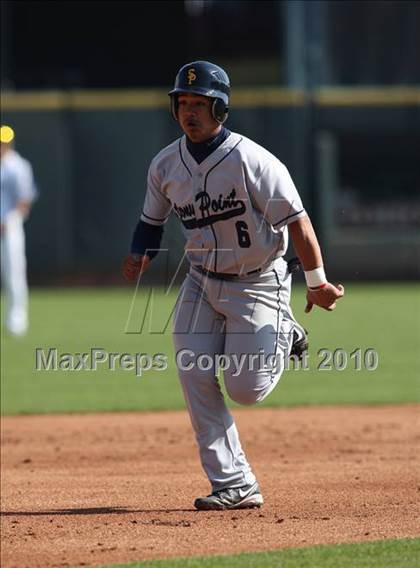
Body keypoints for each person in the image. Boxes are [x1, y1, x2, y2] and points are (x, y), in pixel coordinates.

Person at [123, 61, 344, 510]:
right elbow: (151, 222)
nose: (189, 111)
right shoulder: (166, 164)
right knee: (194, 369)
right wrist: (138, 255)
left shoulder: (253, 161)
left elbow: (298, 225)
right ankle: (234, 482)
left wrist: (317, 282)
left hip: (259, 282)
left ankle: (286, 329)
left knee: (247, 390)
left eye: (199, 103)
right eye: (182, 102)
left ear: (220, 108)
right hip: (201, 281)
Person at [1, 125, 37, 337]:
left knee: (14, 273)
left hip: (10, 226)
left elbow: (24, 201)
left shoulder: (18, 166)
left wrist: (10, 220)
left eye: (4, 142)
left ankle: (17, 319)